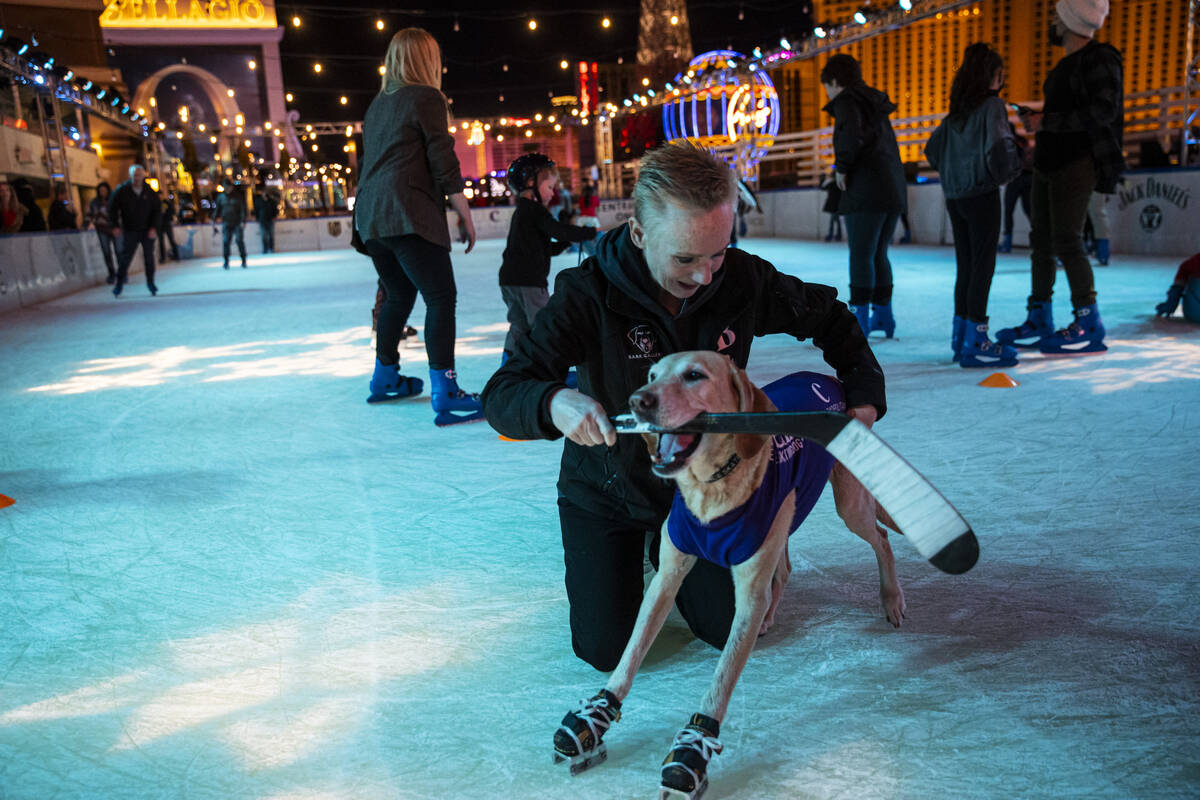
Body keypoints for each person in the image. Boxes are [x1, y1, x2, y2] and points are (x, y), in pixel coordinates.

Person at [481, 141, 886, 676]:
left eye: (718, 252)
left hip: (707, 493)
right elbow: (504, 390)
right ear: (641, 234)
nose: (704, 275)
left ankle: (671, 554)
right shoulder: (586, 293)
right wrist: (553, 400)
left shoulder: (739, 280)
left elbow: (831, 318)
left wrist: (862, 392)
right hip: (611, 491)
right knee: (604, 650)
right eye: (686, 258)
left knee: (725, 630)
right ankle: (642, 551)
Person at [354, 26, 481, 424]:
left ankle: (385, 377)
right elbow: (442, 159)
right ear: (427, 60)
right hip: (407, 211)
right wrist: (464, 211)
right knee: (441, 297)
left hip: (372, 215)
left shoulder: (377, 105)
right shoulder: (427, 97)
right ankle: (446, 391)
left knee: (397, 296)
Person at [996, 0, 1123, 355]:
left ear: (1072, 18)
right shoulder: (1064, 66)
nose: (1053, 20)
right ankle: (1039, 315)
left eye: (1057, 14)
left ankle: (1088, 320)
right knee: (1041, 243)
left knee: (1067, 240)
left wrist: (1045, 122)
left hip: (1077, 162)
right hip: (1048, 163)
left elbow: (1104, 110)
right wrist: (1041, 122)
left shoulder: (1101, 58)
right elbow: (1068, 112)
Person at [924, 43, 1024, 368]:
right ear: (991, 75)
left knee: (966, 267)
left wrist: (953, 170)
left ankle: (961, 339)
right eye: (999, 73)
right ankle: (977, 339)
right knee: (982, 266)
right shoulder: (993, 106)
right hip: (981, 194)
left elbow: (931, 150)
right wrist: (1013, 165)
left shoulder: (956, 115)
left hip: (956, 198)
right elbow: (999, 144)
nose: (1002, 79)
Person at [821, 53, 906, 339]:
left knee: (861, 253)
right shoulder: (874, 103)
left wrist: (841, 168)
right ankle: (884, 315)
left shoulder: (847, 101)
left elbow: (850, 135)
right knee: (878, 252)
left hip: (865, 189)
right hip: (892, 187)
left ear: (834, 82)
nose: (829, 94)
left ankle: (860, 319)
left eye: (827, 87)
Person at [498, 153, 598, 366]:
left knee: (519, 325)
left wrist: (565, 239)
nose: (552, 193)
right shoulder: (534, 211)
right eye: (549, 187)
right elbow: (557, 231)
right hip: (528, 281)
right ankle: (547, 368)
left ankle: (508, 366)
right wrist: (584, 233)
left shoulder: (524, 212)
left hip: (510, 279)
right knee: (544, 323)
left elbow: (547, 248)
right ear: (531, 183)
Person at [107, 164, 161, 297]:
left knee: (149, 258)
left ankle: (151, 283)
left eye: (139, 175)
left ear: (143, 176)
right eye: (134, 175)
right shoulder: (122, 191)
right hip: (130, 230)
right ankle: (119, 284)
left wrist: (154, 227)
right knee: (125, 259)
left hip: (147, 230)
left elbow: (157, 211)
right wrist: (114, 225)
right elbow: (111, 208)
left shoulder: (149, 192)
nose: (137, 178)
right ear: (130, 176)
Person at [998, 125, 1033, 253]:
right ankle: (1039, 239)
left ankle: (1007, 243)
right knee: (1029, 211)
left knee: (1008, 211)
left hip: (1015, 179)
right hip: (1029, 178)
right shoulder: (1022, 140)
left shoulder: (1007, 142)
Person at [84, 182, 118, 283]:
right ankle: (111, 273)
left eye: (104, 190)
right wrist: (85, 224)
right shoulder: (95, 203)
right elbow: (89, 214)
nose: (102, 192)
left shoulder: (113, 201)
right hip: (102, 230)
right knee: (106, 252)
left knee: (119, 251)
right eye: (100, 191)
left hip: (115, 228)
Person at [1155, 252, 1200, 323]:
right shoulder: (1194, 263)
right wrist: (1173, 298)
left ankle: (1172, 301)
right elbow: (1184, 271)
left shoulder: (1193, 263)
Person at [214, 180, 248, 269]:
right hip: (226, 222)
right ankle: (226, 261)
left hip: (237, 222)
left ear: (232, 187)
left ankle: (243, 260)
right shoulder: (221, 197)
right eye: (226, 187)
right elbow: (217, 209)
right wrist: (213, 219)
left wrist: (243, 221)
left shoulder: (238, 197)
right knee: (226, 242)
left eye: (229, 187)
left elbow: (242, 209)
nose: (227, 188)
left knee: (239, 241)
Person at [254, 185, 279, 253]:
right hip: (262, 220)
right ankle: (265, 249)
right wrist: (257, 218)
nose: (264, 193)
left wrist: (274, 216)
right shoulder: (258, 201)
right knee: (264, 236)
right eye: (263, 192)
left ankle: (271, 248)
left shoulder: (271, 201)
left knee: (271, 235)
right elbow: (256, 210)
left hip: (270, 220)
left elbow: (275, 210)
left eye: (265, 192)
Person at [820, 168, 842, 242]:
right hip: (836, 205)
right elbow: (823, 188)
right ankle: (838, 235)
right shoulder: (836, 184)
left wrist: (822, 179)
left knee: (833, 220)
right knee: (835, 219)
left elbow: (822, 188)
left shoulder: (833, 184)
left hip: (834, 205)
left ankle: (832, 235)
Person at [158, 191, 180, 262]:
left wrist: (170, 219)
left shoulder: (167, 203)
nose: (160, 197)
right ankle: (163, 257)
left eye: (160, 195)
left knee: (171, 240)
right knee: (161, 241)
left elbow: (172, 211)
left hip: (167, 224)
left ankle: (176, 255)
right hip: (160, 225)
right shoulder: (156, 203)